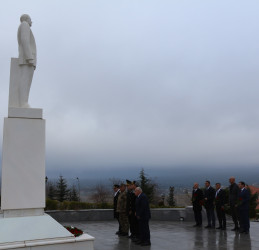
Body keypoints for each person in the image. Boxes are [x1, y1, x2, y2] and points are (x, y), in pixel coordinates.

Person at [17, 14, 37, 108]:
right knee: (25, 81)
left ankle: (24, 102)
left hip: (28, 59)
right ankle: (23, 103)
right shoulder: (24, 24)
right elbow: (24, 40)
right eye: (30, 19)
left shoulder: (24, 26)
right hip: (27, 59)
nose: (31, 21)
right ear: (26, 19)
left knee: (26, 81)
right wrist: (29, 57)